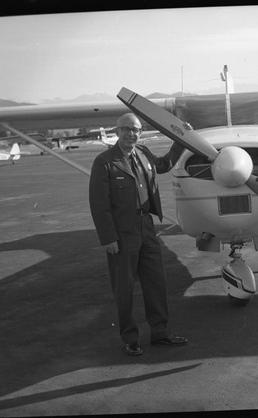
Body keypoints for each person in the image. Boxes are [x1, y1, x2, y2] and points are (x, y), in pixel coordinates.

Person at [89, 113, 185, 356]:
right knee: (124, 288)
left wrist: (181, 140)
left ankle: (160, 332)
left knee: (156, 281)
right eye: (126, 129)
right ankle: (130, 338)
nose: (131, 134)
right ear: (117, 131)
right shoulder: (105, 162)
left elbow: (163, 165)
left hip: (146, 225)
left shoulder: (143, 153)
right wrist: (109, 238)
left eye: (136, 130)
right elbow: (99, 204)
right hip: (122, 233)